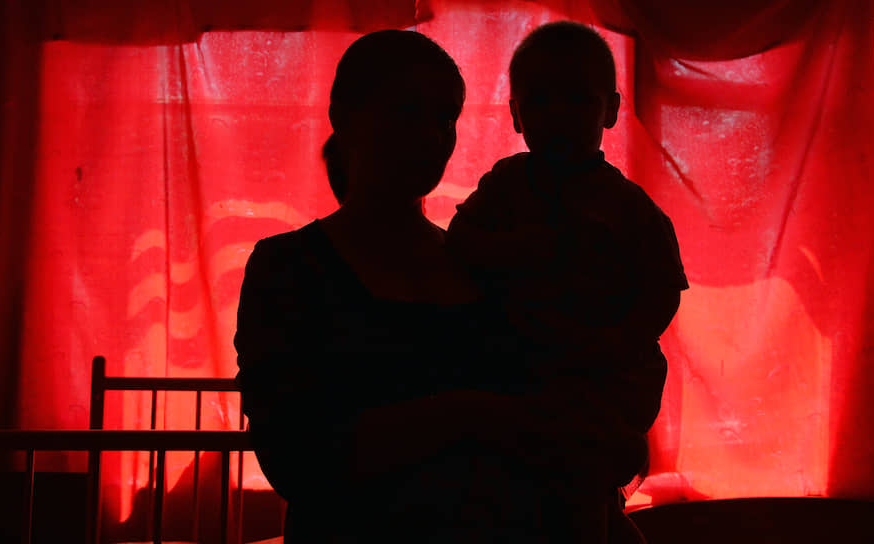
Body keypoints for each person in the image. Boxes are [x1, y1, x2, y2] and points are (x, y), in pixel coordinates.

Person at [235, 29, 648, 544]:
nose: (431, 135)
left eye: (445, 117)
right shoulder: (288, 267)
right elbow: (297, 457)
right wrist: (471, 416)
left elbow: (558, 388)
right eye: (407, 111)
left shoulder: (482, 261)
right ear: (344, 116)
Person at [447, 20, 689, 542]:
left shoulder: (628, 206)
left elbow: (662, 290)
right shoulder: (505, 183)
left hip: (599, 381)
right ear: (516, 114)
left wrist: (616, 343)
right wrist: (514, 249)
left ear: (610, 110)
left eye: (578, 100)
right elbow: (459, 242)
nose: (559, 115)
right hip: (518, 377)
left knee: (582, 491)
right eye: (540, 102)